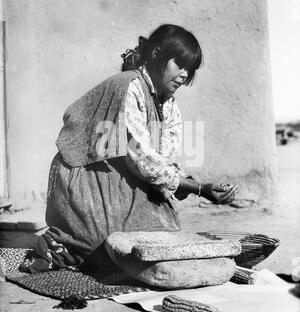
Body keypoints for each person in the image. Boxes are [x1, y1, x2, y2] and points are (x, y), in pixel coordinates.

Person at [20, 24, 238, 274]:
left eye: (190, 69)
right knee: (101, 244)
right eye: (179, 64)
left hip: (120, 175)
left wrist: (186, 182)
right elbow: (141, 158)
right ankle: (61, 246)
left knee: (158, 237)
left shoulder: (167, 104)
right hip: (85, 176)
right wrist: (198, 189)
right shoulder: (129, 86)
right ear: (156, 55)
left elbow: (163, 160)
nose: (184, 75)